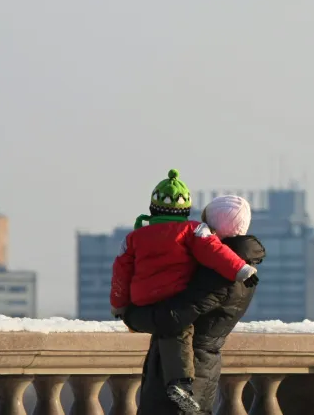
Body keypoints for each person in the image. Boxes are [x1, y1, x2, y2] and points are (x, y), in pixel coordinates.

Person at [110, 170, 259, 413]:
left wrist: (128, 313)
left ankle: (180, 384)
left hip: (192, 368)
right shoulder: (237, 268)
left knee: (179, 332)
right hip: (203, 364)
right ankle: (180, 385)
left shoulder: (216, 274)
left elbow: (173, 318)